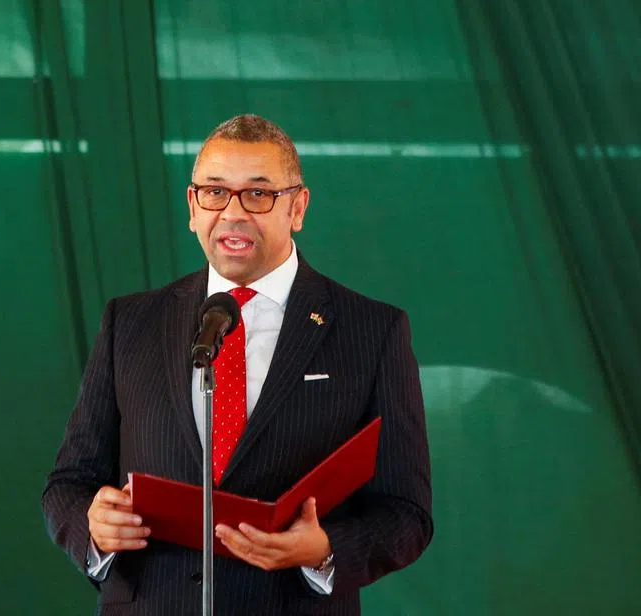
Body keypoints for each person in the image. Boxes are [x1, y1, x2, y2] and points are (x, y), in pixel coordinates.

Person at [42, 114, 432, 615]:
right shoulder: (130, 321)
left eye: (258, 194)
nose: (233, 213)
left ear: (298, 207)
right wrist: (94, 528)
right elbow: (68, 485)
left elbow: (407, 513)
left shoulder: (372, 330)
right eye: (215, 192)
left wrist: (325, 550)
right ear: (192, 206)